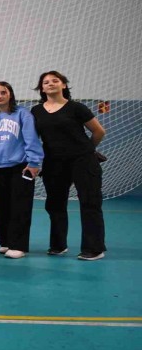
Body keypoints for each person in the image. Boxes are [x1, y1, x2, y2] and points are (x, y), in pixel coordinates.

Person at [32, 71, 106, 261]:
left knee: (90, 203)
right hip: (53, 163)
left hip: (82, 161)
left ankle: (94, 248)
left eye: (55, 80)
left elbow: (98, 131)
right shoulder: (36, 111)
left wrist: (88, 151)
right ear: (42, 88)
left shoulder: (76, 108)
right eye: (46, 82)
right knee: (55, 204)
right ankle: (58, 245)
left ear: (63, 85)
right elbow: (33, 139)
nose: (50, 84)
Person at [0, 81, 44, 259]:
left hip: (21, 166)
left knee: (20, 207)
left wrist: (34, 162)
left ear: (10, 94)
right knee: (2, 206)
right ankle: (5, 241)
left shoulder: (22, 114)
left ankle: (19, 245)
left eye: (3, 92)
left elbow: (31, 138)